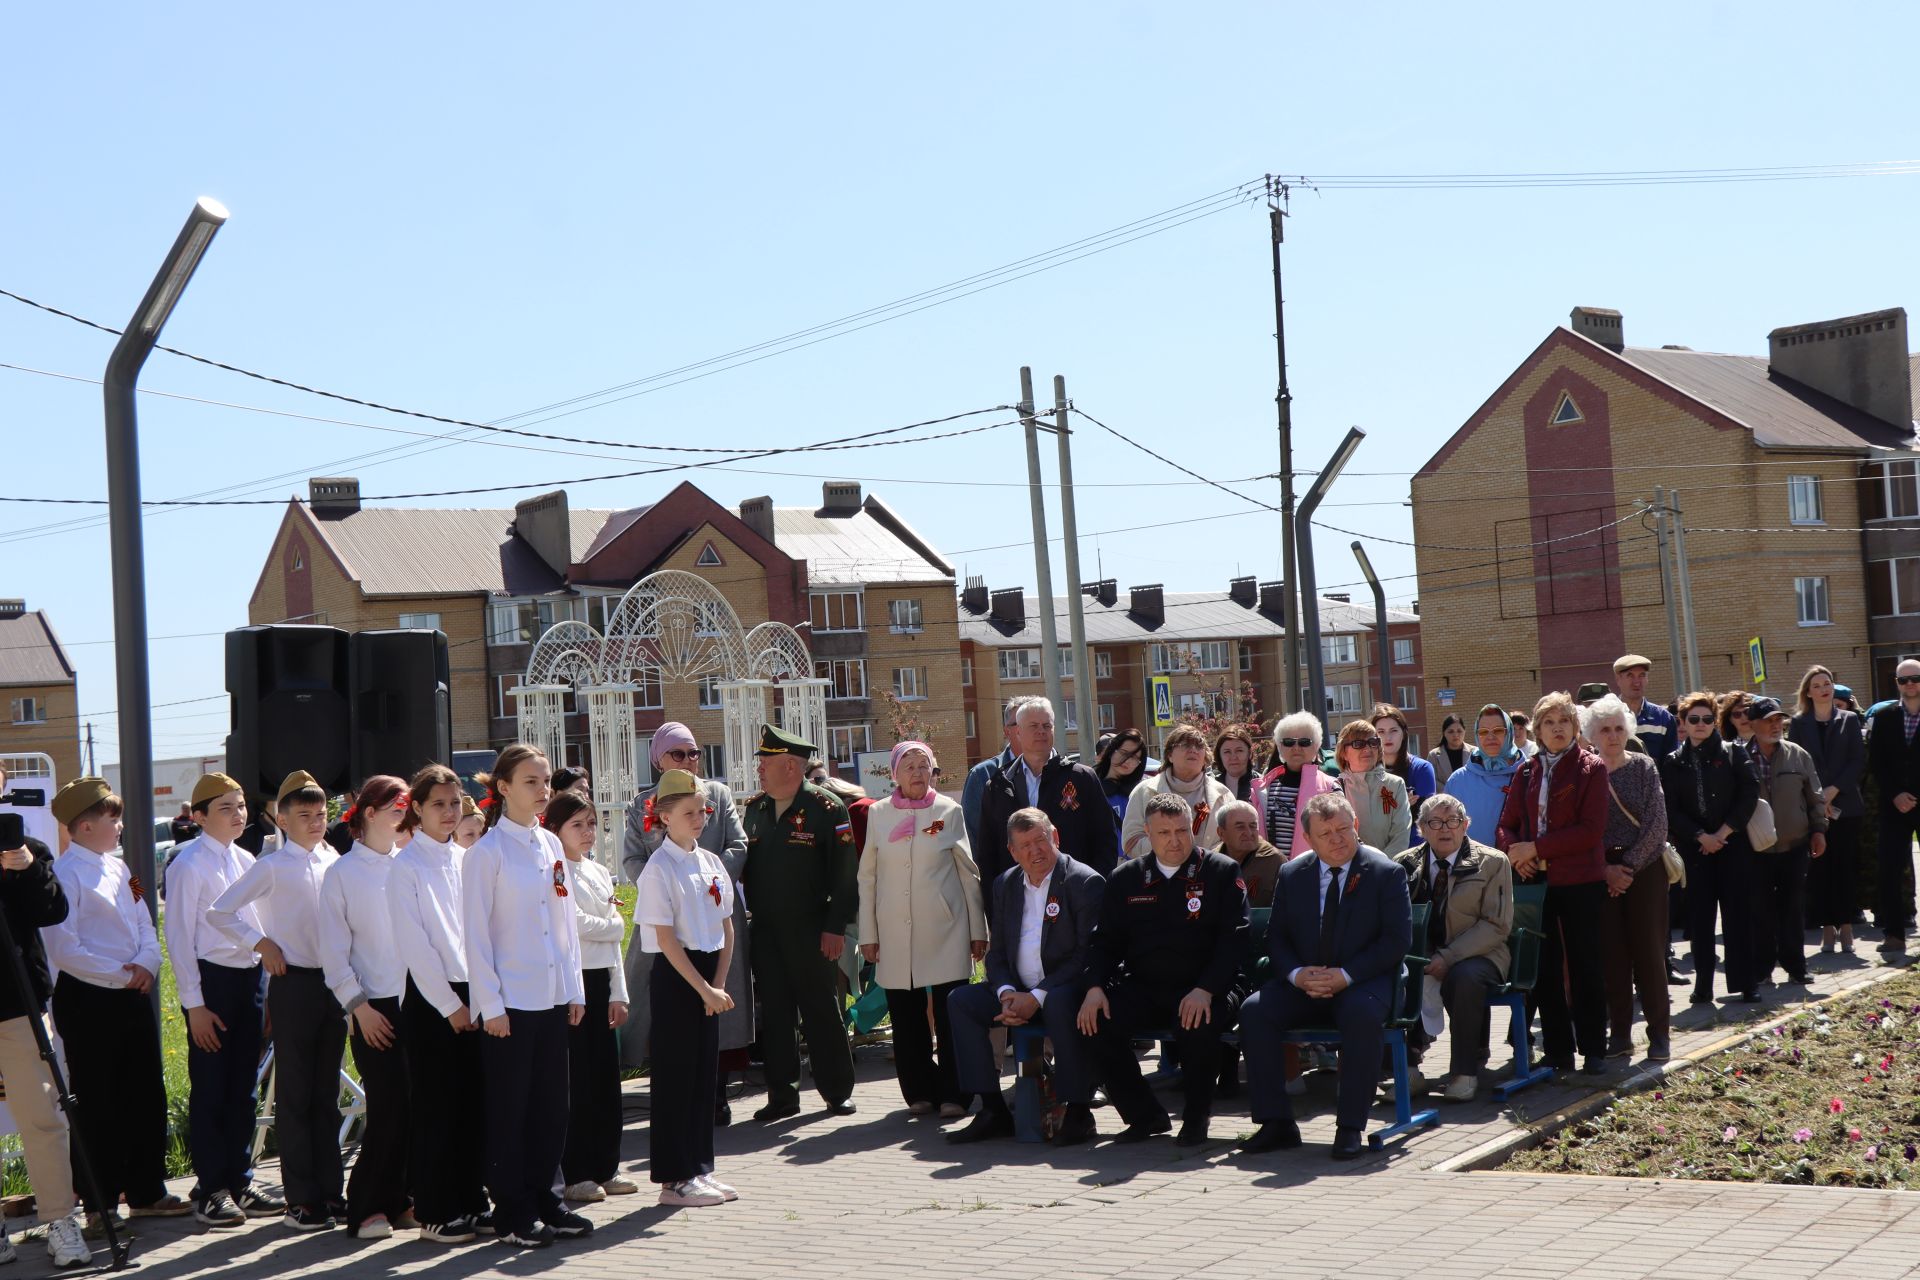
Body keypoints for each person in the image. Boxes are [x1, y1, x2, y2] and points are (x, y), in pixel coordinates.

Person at [42, 779, 189, 1228]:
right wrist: (122, 975)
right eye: (113, 819)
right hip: (89, 999)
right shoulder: (65, 876)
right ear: (85, 826)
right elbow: (65, 949)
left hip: (130, 993)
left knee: (145, 1093)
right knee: (99, 1102)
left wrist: (146, 961)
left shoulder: (124, 871)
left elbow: (144, 919)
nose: (121, 826)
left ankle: (146, 1190)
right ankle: (98, 1203)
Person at [461, 745, 592, 1249]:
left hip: (551, 996)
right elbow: (476, 937)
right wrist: (490, 1005)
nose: (543, 790)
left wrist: (573, 986)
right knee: (510, 1110)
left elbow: (563, 924)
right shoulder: (485, 854)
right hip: (509, 1004)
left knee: (550, 1108)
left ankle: (545, 1196)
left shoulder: (551, 846)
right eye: (532, 781)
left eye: (545, 781)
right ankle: (513, 1209)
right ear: (504, 789)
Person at [1239, 792, 1413, 1160]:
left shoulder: (1385, 873)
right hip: (1307, 982)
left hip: (1363, 982)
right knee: (1255, 1011)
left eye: (1343, 829)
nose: (1337, 839)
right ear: (1310, 839)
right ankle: (1276, 1123)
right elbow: (1277, 936)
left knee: (1360, 1015)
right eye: (1326, 833)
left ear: (1356, 827)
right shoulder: (1293, 873)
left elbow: (1395, 941)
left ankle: (1350, 1126)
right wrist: (1299, 975)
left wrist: (1345, 976)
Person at [209, 770, 345, 1231]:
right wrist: (260, 943)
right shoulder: (271, 865)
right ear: (281, 819)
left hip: (336, 982)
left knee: (327, 1093)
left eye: (322, 814)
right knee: (296, 1094)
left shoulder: (334, 859)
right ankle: (301, 1200)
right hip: (294, 983)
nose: (315, 823)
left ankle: (331, 1191)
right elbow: (219, 910)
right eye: (304, 815)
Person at [1077, 792, 1246, 1147]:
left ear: (1192, 830)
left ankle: (1196, 1117)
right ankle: (1145, 1115)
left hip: (1208, 985)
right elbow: (1105, 941)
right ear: (1148, 836)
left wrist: (1206, 989)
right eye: (1164, 833)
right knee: (1096, 1024)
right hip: (1147, 984)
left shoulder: (1220, 871)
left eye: (1181, 831)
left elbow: (1234, 942)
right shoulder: (1126, 879)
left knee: (1196, 1021)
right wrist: (1094, 987)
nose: (1175, 840)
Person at [162, 772, 279, 1228]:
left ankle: (240, 1179)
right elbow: (180, 940)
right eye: (226, 808)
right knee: (212, 1088)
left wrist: (264, 989)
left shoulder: (247, 859)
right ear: (199, 817)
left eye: (242, 806)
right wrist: (194, 1005)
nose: (238, 815)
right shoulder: (188, 865)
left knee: (243, 1088)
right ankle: (211, 1188)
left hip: (248, 979)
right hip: (211, 983)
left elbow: (258, 926)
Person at [947, 808, 1104, 1146]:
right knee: (961, 1001)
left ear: (1055, 838)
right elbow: (998, 951)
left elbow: (1084, 955)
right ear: (1013, 852)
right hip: (1016, 990)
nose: (1035, 851)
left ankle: (1078, 1111)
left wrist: (1036, 997)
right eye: (1025, 845)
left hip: (1062, 988)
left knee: (1061, 1001)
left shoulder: (1083, 881)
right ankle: (992, 1110)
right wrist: (1006, 994)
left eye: (1040, 840)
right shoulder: (1006, 884)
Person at [620, 725, 752, 1121]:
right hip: (666, 920)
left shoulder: (718, 794)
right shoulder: (641, 805)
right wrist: (674, 888)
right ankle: (670, 1090)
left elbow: (738, 845)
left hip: (715, 913)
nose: (688, 760)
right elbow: (631, 860)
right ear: (657, 759)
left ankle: (716, 1092)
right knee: (668, 1010)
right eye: (677, 754)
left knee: (719, 1004)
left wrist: (706, 885)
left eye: (693, 753)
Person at [389, 764, 490, 1245]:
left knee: (473, 1105)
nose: (449, 813)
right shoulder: (405, 866)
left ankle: (472, 1200)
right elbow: (416, 946)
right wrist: (451, 1005)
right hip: (434, 1002)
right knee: (436, 1108)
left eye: (455, 803)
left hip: (475, 993)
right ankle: (434, 1209)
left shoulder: (467, 858)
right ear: (417, 809)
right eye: (438, 805)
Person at [857, 741, 985, 1117]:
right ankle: (919, 1091)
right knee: (905, 1015)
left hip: (946, 927)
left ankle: (955, 1093)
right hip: (895, 930)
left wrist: (979, 929)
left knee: (950, 1014)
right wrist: (869, 932)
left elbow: (968, 871)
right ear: (894, 774)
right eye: (908, 766)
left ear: (933, 771)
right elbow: (868, 877)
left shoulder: (948, 809)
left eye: (923, 765)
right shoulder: (879, 814)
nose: (916, 772)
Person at [740, 725, 859, 1121]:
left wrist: (835, 927)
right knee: (775, 1015)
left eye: (766, 762)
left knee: (821, 1012)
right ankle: (782, 1095)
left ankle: (837, 1091)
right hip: (768, 931)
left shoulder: (827, 809)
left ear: (790, 765)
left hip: (813, 930)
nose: (759, 769)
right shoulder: (755, 809)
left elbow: (845, 877)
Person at [634, 769, 739, 1208]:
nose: (699, 819)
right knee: (676, 1079)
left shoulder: (710, 861)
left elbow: (727, 928)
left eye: (703, 810)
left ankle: (700, 1167)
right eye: (689, 812)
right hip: (678, 977)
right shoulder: (658, 869)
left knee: (702, 1077)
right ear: (664, 817)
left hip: (706, 976)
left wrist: (717, 984)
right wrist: (702, 989)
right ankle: (674, 1179)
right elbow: (664, 940)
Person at [316, 774, 413, 1240]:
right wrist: (359, 1008)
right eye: (395, 805)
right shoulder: (341, 874)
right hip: (373, 1009)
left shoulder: (411, 863)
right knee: (389, 1106)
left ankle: (401, 1199)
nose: (404, 812)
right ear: (369, 813)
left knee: (415, 1106)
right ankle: (366, 1205)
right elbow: (333, 956)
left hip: (421, 1001)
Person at [0, 765, 88, 1268]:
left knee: (43, 1116)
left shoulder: (28, 847)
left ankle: (60, 1220)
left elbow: (53, 911)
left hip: (19, 1002)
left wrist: (27, 868)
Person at [1497, 692, 1610, 1073]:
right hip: (1537, 885)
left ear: (1575, 728)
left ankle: (1595, 1048)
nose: (1557, 727)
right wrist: (1516, 853)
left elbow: (1591, 831)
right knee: (1544, 968)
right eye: (1549, 722)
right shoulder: (1526, 771)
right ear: (1538, 730)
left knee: (1586, 965)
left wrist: (1536, 848)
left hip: (1581, 881)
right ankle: (1559, 1051)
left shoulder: (1591, 769)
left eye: (1564, 721)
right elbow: (1506, 824)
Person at [546, 791, 637, 1204]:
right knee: (578, 1079)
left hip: (601, 980)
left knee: (605, 1078)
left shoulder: (600, 872)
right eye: (576, 825)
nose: (587, 833)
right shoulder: (555, 869)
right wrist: (612, 925)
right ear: (556, 829)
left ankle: (607, 1164)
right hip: (573, 981)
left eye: (591, 824)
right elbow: (573, 924)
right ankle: (577, 1170)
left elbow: (611, 935)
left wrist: (619, 992)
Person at [1393, 793, 1512, 1101]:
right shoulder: (1403, 865)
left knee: (1464, 977)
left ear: (1466, 825)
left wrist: (1448, 957)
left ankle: (1464, 1072)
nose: (1445, 829)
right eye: (1434, 822)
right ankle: (1408, 1070)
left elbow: (1496, 925)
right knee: (1400, 975)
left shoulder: (1493, 862)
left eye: (1453, 821)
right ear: (1421, 828)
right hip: (1424, 954)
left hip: (1481, 954)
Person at [1583, 695, 1673, 1062]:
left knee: (1649, 954)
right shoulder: (1587, 772)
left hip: (1645, 870)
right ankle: (1620, 1034)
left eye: (1619, 728)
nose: (1613, 735)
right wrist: (1606, 868)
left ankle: (1660, 1035)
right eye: (1605, 729)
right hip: (1601, 871)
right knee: (1613, 956)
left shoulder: (1644, 767)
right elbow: (1585, 829)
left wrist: (1629, 867)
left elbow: (1657, 824)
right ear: (1592, 734)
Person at [1662, 691, 1763, 1001]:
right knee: (1701, 920)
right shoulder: (1673, 762)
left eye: (1707, 719)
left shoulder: (1734, 753)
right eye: (1694, 719)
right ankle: (1703, 985)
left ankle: (1746, 983)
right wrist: (1700, 836)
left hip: (1733, 846)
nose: (1701, 724)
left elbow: (1749, 793)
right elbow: (1670, 808)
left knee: (1738, 916)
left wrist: (1723, 832)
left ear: (1715, 721)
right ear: (1683, 723)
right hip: (1697, 851)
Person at [979, 698, 1119, 881]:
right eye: (1034, 726)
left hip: (1073, 895)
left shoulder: (1081, 778)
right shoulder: (999, 785)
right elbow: (987, 853)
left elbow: (1105, 840)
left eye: (1047, 726)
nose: (1041, 732)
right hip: (1018, 897)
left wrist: (1092, 888)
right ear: (1018, 732)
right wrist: (996, 901)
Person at [1746, 696, 1826, 988]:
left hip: (1795, 845)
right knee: (1760, 910)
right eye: (1768, 720)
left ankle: (1796, 967)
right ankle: (1763, 969)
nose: (1775, 725)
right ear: (1752, 724)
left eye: (1779, 719)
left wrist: (1819, 830)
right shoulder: (1739, 757)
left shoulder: (1798, 755)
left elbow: (1815, 797)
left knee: (1793, 908)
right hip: (1756, 849)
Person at [1789, 665, 1865, 954]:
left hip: (1845, 805)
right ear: (1808, 691)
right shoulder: (1799, 723)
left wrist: (1833, 791)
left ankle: (1846, 927)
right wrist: (1817, 796)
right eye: (1818, 684)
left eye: (1828, 682)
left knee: (1844, 867)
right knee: (1820, 869)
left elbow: (1857, 761)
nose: (1824, 688)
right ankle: (1827, 929)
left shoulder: (1848, 719)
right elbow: (1796, 761)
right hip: (1812, 806)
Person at [1865, 659, 1920, 956]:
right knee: (1888, 869)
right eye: (1903, 680)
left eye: (1915, 678)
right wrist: (1896, 793)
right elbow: (1877, 762)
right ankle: (1894, 934)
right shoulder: (1885, 717)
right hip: (1894, 805)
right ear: (1896, 684)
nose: (1910, 684)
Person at [1121, 725, 1233, 860]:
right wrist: (1173, 852)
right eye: (1185, 745)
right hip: (1159, 877)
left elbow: (1232, 840)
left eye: (1199, 746)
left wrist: (1206, 860)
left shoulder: (1223, 794)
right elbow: (1130, 842)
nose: (1193, 750)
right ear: (1170, 755)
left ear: (1205, 758)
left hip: (1209, 875)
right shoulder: (1144, 791)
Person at [1251, 711, 1340, 861]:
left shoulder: (1331, 786)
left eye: (1304, 742)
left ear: (1317, 746)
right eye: (1289, 742)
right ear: (1280, 747)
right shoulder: (1263, 788)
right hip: (1270, 873)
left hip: (1314, 872)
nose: (1296, 747)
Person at [1446, 705, 1524, 843]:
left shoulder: (1529, 774)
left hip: (1517, 862)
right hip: (1471, 863)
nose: (1490, 737)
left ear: (1509, 733)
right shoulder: (1458, 781)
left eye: (1498, 730)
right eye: (1483, 732)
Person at [1335, 718, 1412, 856]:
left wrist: (1381, 867)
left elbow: (1401, 835)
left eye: (1373, 742)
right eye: (1358, 744)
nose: (1367, 748)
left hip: (1388, 870)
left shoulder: (1395, 785)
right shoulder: (1335, 788)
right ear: (1343, 753)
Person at [962, 699, 1022, 854]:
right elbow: (973, 837)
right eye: (1021, 722)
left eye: (1038, 723)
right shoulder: (982, 775)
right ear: (1006, 731)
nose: (1033, 729)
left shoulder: (1062, 772)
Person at [1214, 800, 1282, 909]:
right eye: (1240, 827)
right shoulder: (1211, 862)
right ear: (1221, 833)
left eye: (1253, 826)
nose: (1249, 833)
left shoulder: (1274, 861)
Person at [1374, 703, 1436, 819]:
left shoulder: (1422, 769)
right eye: (1381, 732)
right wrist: (1401, 803)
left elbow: (1427, 818)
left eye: (1393, 731)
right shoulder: (1368, 771)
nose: (1388, 737)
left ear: (1403, 733)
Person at [1613, 655, 1678, 757]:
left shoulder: (1663, 718)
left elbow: (1671, 762)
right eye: (1630, 675)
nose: (1637, 682)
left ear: (1647, 679)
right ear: (1618, 679)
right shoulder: (1607, 717)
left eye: (1642, 675)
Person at [1094, 728, 1150, 823]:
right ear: (1111, 751)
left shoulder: (1143, 792)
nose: (1127, 760)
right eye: (1124, 753)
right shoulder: (1089, 786)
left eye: (1134, 757)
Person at [1212, 725, 1260, 804]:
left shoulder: (1261, 786)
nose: (1233, 757)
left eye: (1239, 751)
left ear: (1250, 753)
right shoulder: (1211, 786)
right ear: (1219, 755)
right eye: (1227, 752)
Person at [1428, 715, 1468, 788]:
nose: (1455, 735)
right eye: (1450, 731)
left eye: (1459, 731)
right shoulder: (1433, 755)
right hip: (1445, 797)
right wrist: (1450, 791)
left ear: (1464, 731)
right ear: (1444, 733)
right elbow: (1431, 780)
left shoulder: (1475, 753)